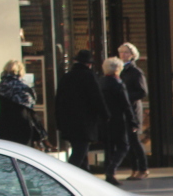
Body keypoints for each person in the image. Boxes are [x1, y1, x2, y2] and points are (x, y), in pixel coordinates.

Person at [54, 49, 109, 170]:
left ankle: (84, 175)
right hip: (85, 123)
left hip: (68, 121)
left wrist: (59, 121)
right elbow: (97, 98)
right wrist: (105, 115)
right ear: (88, 64)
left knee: (80, 151)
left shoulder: (66, 77)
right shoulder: (89, 76)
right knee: (79, 152)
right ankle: (67, 175)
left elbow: (58, 100)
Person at [98, 57, 134, 186]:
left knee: (109, 148)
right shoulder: (118, 84)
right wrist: (132, 121)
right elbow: (126, 104)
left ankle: (110, 173)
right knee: (123, 146)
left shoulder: (100, 83)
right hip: (118, 119)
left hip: (104, 119)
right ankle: (111, 170)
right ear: (118, 69)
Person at [117, 43, 149, 179]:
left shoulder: (136, 72)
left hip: (133, 109)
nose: (123, 55)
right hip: (123, 109)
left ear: (132, 55)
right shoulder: (119, 70)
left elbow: (142, 92)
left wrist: (127, 98)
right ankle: (134, 169)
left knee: (134, 139)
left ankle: (143, 169)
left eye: (126, 52)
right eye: (121, 52)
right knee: (127, 141)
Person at [0, 59, 37, 146]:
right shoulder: (23, 86)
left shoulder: (2, 85)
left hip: (4, 124)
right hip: (22, 124)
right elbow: (30, 103)